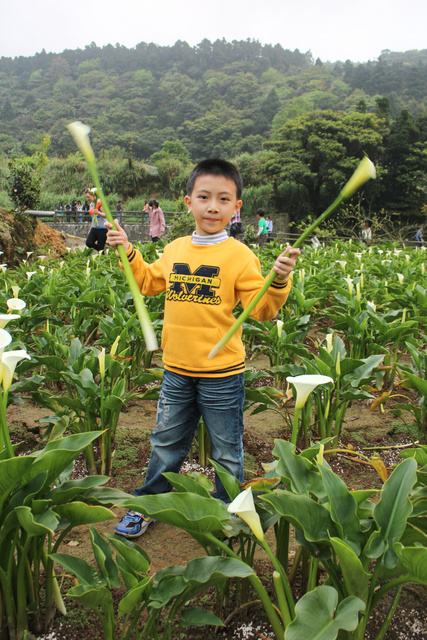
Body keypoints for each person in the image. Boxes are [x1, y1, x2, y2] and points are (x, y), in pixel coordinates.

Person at [106, 158, 300, 538]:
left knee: (227, 449)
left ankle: (227, 510)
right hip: (177, 369)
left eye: (224, 199)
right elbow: (146, 282)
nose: (213, 206)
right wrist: (128, 251)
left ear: (236, 207)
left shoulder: (240, 256)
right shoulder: (176, 248)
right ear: (188, 202)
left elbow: (261, 310)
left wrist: (278, 279)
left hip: (222, 375)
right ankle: (149, 504)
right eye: (204, 197)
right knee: (165, 443)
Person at [84, 188, 107, 254]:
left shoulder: (100, 203)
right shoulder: (91, 205)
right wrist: (90, 228)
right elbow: (93, 217)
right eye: (86, 197)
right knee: (89, 243)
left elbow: (106, 215)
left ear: (94, 195)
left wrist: (98, 212)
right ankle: (102, 252)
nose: (87, 199)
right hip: (94, 228)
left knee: (100, 247)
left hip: (102, 228)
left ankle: (101, 254)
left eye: (88, 197)